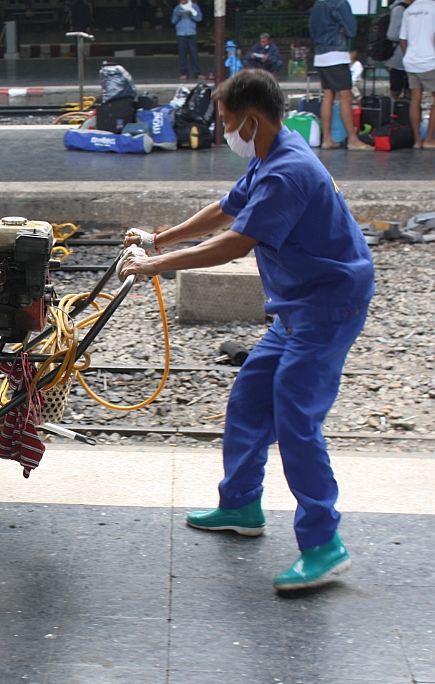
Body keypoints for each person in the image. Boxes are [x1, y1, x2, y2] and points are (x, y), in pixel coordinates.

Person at [120, 69, 374, 591]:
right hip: (297, 307)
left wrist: (156, 266)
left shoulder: (287, 172)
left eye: (228, 121)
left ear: (252, 120)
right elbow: (225, 209)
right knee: (251, 396)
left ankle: (324, 544)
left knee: (296, 418)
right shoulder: (272, 153)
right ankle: (241, 506)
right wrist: (158, 240)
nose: (224, 130)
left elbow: (236, 241)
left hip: (327, 308)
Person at [309, 0, 370, 149]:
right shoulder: (340, 3)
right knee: (346, 97)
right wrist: (341, 29)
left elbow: (312, 29)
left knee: (328, 96)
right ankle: (353, 140)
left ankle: (327, 139)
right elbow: (352, 30)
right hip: (336, 55)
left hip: (320, 55)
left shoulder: (318, 4)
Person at [400, 0, 435, 148]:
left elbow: (403, 39)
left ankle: (417, 140)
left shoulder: (408, 10)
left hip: (411, 61)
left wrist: (408, 56)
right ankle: (429, 139)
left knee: (415, 100)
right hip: (430, 61)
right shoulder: (433, 7)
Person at [386, 0, 412, 99]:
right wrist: (408, 35)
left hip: (408, 57)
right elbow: (392, 34)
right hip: (398, 57)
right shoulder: (399, 9)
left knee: (411, 90)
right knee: (395, 91)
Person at [172, 0, 204, 81]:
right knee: (182, 54)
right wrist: (178, 16)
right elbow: (173, 21)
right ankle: (184, 73)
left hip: (191, 33)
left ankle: (197, 73)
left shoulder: (194, 6)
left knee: (194, 54)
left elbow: (199, 18)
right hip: (181, 34)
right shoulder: (177, 8)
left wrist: (191, 15)